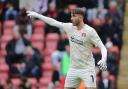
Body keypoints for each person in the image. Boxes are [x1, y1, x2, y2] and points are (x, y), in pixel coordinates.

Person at [27, 8, 107, 89]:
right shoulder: (69, 27)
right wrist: (37, 15)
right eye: (71, 16)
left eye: (74, 16)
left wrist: (103, 59)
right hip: (73, 68)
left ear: (81, 17)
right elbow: (53, 22)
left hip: (87, 69)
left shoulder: (90, 31)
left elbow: (103, 47)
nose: (71, 18)